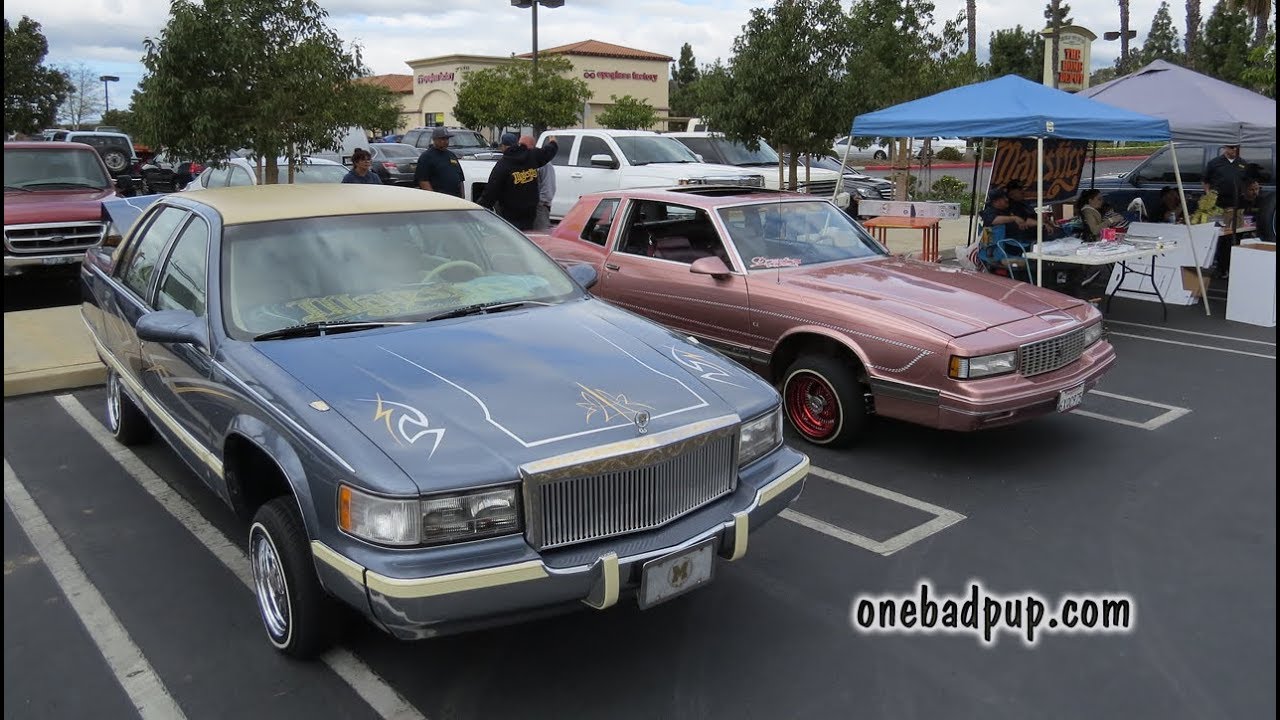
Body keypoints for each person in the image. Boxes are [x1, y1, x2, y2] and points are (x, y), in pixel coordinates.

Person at [478, 132, 558, 230]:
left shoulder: (503, 165)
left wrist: (479, 209)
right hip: (530, 213)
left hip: (511, 215)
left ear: (503, 147)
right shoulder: (532, 156)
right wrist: (553, 142)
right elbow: (549, 152)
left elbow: (491, 191)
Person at [414, 127, 465, 198]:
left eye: (447, 139)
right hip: (439, 200)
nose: (446, 141)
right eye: (442, 139)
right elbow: (423, 181)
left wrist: (462, 198)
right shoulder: (426, 157)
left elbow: (460, 179)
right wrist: (434, 198)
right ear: (434, 139)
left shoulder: (451, 155)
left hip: (455, 199)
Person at [519, 135, 555, 230]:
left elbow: (548, 187)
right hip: (524, 207)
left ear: (532, 146)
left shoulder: (545, 164)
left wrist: (541, 203)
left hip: (540, 207)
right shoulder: (520, 161)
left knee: (540, 236)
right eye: (520, 145)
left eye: (523, 145)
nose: (521, 147)